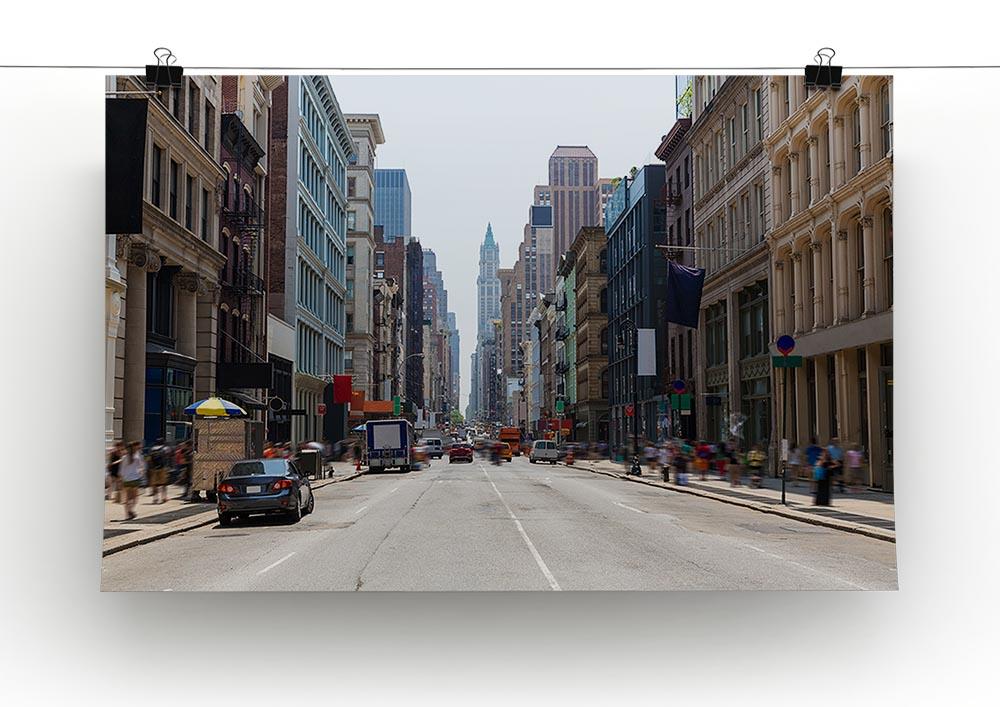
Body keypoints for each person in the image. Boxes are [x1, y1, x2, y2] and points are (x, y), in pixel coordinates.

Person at [119, 441, 146, 520]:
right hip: (135, 479)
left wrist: (121, 479)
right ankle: (131, 509)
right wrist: (141, 474)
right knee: (134, 497)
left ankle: (127, 514)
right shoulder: (138, 456)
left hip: (126, 480)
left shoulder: (124, 457)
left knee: (127, 498)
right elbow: (142, 468)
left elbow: (121, 470)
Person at [147, 438, 171, 504]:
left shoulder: (151, 449)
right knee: (164, 484)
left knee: (155, 485)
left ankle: (155, 499)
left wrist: (150, 468)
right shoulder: (165, 448)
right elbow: (168, 456)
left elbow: (148, 459)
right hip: (162, 468)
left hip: (154, 469)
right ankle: (164, 498)